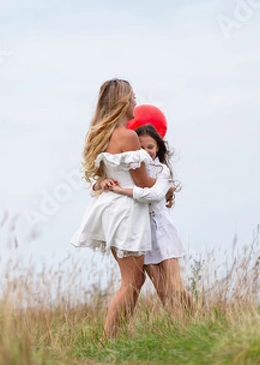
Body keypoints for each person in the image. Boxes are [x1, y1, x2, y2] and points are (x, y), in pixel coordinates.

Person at [70, 78, 157, 339]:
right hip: (127, 210)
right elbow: (142, 182)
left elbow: (98, 178)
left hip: (110, 209)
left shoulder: (100, 134)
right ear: (121, 103)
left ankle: (116, 337)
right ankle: (110, 340)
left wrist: (100, 182)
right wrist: (168, 185)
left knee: (133, 280)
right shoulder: (128, 136)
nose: (135, 103)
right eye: (132, 98)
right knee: (131, 281)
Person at [101, 124, 193, 313]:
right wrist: (102, 183)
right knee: (162, 290)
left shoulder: (162, 171)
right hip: (144, 233)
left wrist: (122, 190)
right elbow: (108, 177)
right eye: (141, 148)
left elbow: (154, 195)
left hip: (163, 230)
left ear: (158, 147)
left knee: (175, 286)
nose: (146, 151)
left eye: (150, 147)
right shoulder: (134, 171)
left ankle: (195, 315)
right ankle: (179, 326)